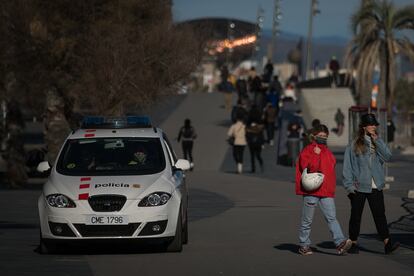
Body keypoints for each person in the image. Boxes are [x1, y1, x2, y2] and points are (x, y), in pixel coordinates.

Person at [343, 113, 399, 254]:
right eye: (371, 124)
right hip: (358, 186)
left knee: (380, 215)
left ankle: (387, 243)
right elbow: (347, 167)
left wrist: (378, 141)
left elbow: (388, 156)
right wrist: (349, 186)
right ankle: (353, 243)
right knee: (356, 216)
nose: (374, 126)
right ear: (364, 126)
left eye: (375, 124)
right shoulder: (354, 144)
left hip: (375, 186)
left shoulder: (376, 142)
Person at [296, 124, 352, 255]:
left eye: (325, 136)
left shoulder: (327, 151)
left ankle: (340, 243)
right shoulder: (308, 150)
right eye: (320, 136)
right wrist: (315, 155)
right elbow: (308, 167)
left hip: (326, 191)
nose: (323, 138)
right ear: (314, 136)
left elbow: (330, 170)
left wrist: (332, 189)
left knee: (332, 218)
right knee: (307, 220)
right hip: (312, 190)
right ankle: (304, 245)